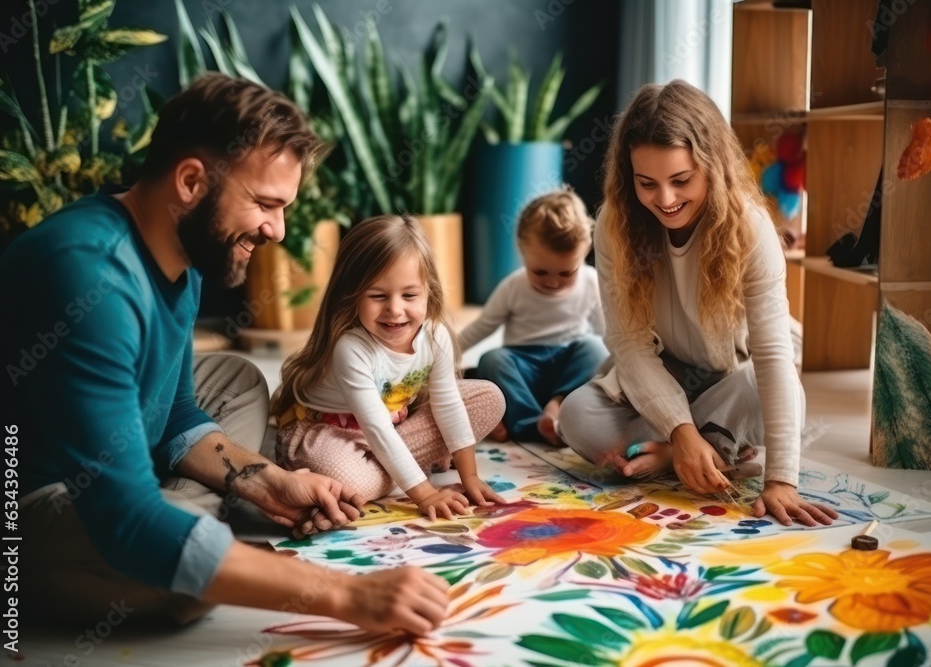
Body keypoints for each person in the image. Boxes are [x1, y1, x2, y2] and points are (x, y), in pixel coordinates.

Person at [0, 73, 449, 632]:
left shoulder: (182, 252)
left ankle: (184, 522)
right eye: (264, 204)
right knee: (182, 582)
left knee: (235, 376)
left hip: (112, 455)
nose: (277, 231)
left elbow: (178, 413)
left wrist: (265, 480)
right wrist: (349, 596)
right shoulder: (92, 276)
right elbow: (125, 516)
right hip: (23, 506)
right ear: (190, 182)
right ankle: (177, 527)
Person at [558, 80, 839, 527]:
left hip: (735, 375)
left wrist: (781, 480)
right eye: (647, 183)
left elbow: (771, 356)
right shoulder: (613, 223)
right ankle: (704, 445)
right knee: (577, 417)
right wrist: (680, 427)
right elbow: (630, 345)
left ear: (711, 166)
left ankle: (680, 453)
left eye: (681, 180)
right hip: (666, 370)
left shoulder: (750, 226)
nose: (665, 200)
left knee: (766, 396)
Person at [271, 215, 507, 521]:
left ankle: (392, 465)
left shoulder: (435, 336)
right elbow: (377, 430)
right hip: (328, 432)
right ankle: (399, 467)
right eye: (378, 296)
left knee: (489, 397)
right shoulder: (351, 349)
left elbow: (447, 403)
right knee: (350, 481)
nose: (395, 310)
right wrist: (425, 493)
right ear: (353, 296)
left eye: (409, 295)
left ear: (428, 291)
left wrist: (470, 476)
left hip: (392, 427)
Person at [458, 187, 607, 446]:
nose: (552, 282)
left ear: (584, 253)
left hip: (568, 372)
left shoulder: (592, 283)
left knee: (595, 350)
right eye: (540, 272)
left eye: (565, 273)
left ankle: (557, 406)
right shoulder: (513, 287)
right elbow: (481, 328)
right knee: (492, 359)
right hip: (523, 371)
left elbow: (609, 336)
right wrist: (441, 356)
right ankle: (533, 424)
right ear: (522, 252)